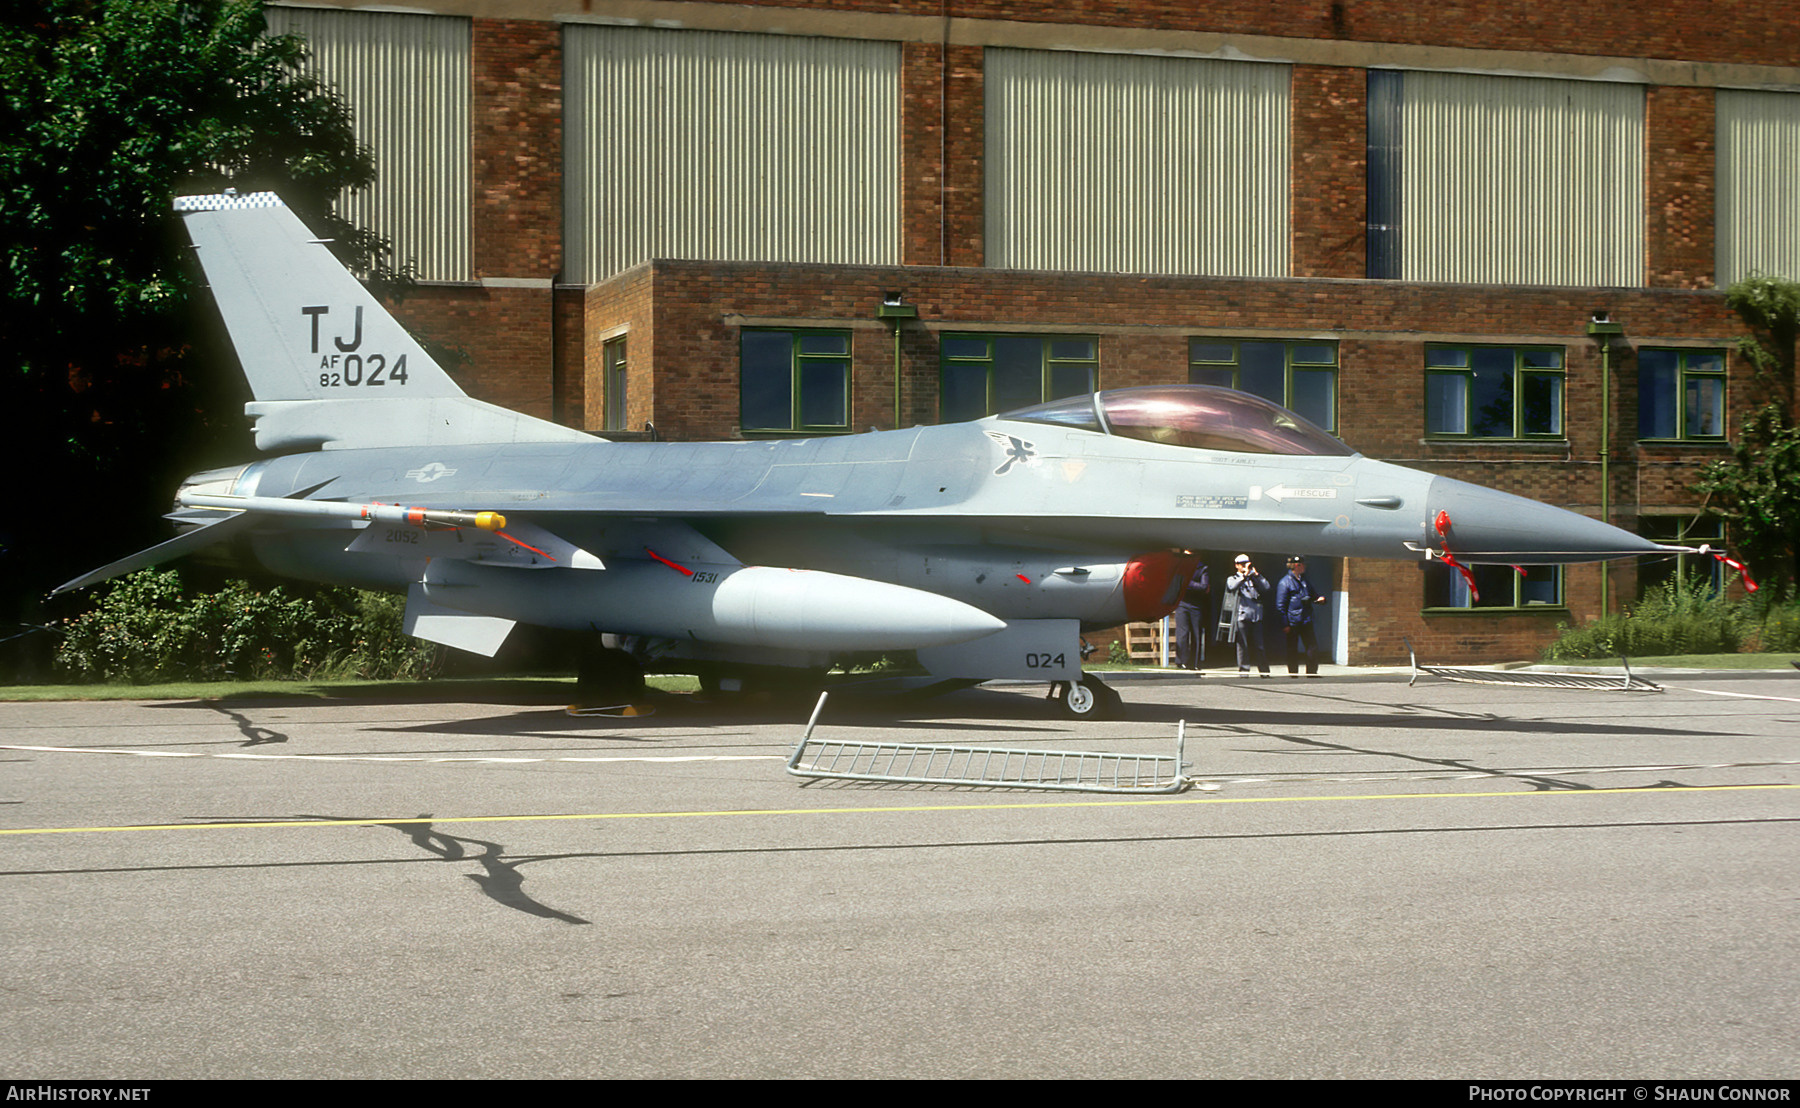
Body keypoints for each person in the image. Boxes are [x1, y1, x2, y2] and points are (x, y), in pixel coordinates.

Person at [1274, 555, 1327, 677]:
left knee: (1312, 646)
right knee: (1292, 648)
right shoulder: (1285, 582)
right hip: (1293, 621)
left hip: (1306, 619)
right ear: (1297, 566)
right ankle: (1293, 672)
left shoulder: (1304, 581)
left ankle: (1312, 672)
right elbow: (1280, 606)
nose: (1305, 567)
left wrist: (1320, 599)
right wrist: (1285, 624)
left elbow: (1313, 595)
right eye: (1303, 564)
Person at [1224, 554, 1271, 677]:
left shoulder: (1254, 578)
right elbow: (1232, 587)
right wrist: (1244, 576)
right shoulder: (1233, 578)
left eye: (1247, 563)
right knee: (1242, 645)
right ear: (1237, 565)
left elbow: (1266, 587)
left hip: (1256, 616)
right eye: (1243, 564)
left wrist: (1256, 576)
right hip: (1242, 615)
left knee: (1259, 645)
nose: (1245, 566)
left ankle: (1264, 671)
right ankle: (1244, 671)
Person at [1173, 560, 1209, 672]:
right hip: (1182, 603)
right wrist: (1192, 584)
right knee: (1182, 633)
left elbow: (1203, 586)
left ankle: (1195, 662)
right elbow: (1176, 582)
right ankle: (1181, 661)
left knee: (1196, 633)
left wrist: (1188, 583)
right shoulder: (1180, 566)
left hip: (1196, 605)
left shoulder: (1203, 568)